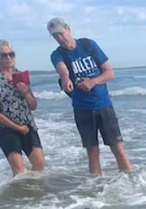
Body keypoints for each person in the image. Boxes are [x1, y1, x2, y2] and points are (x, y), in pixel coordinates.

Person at [47, 17, 132, 176]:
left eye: (61, 33)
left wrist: (92, 82)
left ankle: (131, 181)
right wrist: (65, 78)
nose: (60, 38)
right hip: (82, 109)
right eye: (55, 36)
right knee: (92, 152)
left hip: (104, 105)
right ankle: (96, 188)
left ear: (68, 29)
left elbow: (109, 72)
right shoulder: (57, 54)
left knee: (118, 148)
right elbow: (62, 68)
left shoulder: (88, 45)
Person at [0, 39, 45, 177]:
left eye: (11, 54)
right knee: (19, 172)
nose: (8, 58)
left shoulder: (20, 76)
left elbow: (33, 106)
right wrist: (18, 128)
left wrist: (26, 93)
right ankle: (22, 198)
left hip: (27, 125)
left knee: (39, 165)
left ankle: (38, 196)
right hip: (7, 130)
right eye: (4, 55)